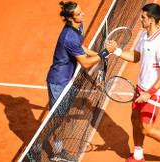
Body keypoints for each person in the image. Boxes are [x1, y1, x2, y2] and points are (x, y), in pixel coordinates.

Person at [111, 3, 160, 162]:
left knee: (147, 129)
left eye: (143, 17)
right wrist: (116, 51)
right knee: (135, 120)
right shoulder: (143, 36)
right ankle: (138, 156)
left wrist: (150, 93)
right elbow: (135, 57)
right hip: (140, 87)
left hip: (153, 93)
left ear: (152, 20)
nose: (140, 19)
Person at [42, 1, 116, 161]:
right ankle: (37, 146)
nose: (83, 14)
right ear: (70, 18)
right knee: (56, 119)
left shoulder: (78, 26)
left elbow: (80, 48)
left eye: (81, 11)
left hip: (67, 79)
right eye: (78, 14)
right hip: (58, 81)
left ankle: (57, 149)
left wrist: (101, 53)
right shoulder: (68, 36)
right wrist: (103, 53)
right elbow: (86, 63)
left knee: (61, 118)